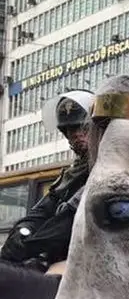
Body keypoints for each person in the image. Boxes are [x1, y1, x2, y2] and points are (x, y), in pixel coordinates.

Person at [0, 89, 95, 272]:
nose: (76, 134)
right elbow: (40, 212)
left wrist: (31, 246)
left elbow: (68, 221)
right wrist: (21, 231)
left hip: (91, 261)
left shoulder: (105, 171)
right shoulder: (70, 174)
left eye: (83, 127)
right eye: (70, 129)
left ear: (97, 129)